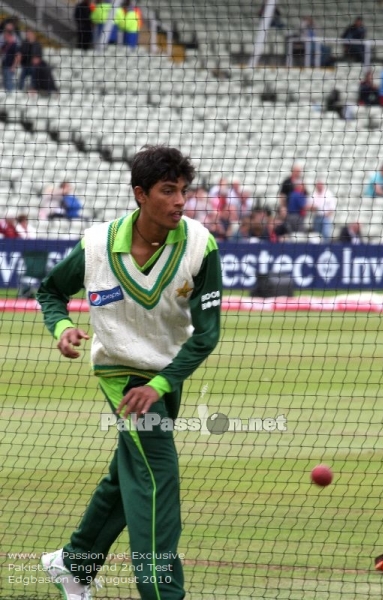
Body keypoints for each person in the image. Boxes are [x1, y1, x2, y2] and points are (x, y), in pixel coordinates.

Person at [37, 146, 222, 600]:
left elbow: (207, 335)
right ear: (140, 194)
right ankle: (162, 593)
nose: (180, 200)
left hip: (165, 379)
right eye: (167, 190)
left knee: (127, 477)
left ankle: (73, 563)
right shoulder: (96, 244)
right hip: (122, 378)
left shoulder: (201, 246)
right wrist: (62, 328)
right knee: (157, 477)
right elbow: (50, 292)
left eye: (183, 190)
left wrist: (161, 384)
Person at [1, 25, 18, 92]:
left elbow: (18, 56)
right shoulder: (5, 44)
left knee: (9, 83)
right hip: (4, 66)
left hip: (10, 67)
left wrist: (14, 66)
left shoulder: (14, 45)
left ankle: (10, 95)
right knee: (5, 83)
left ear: (10, 36)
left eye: (7, 36)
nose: (5, 37)